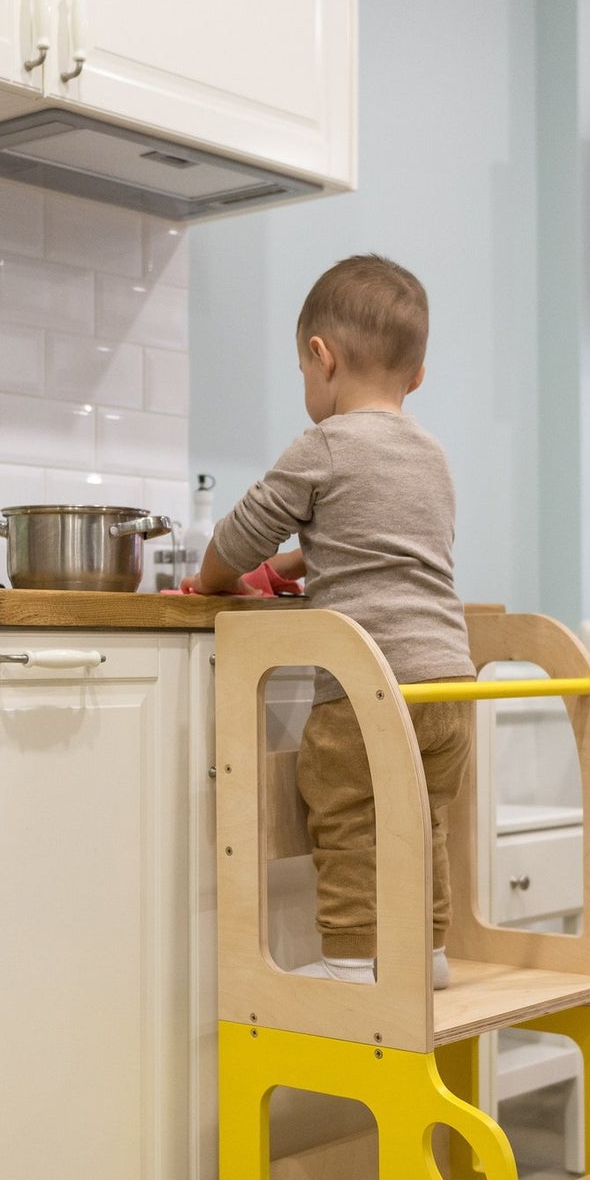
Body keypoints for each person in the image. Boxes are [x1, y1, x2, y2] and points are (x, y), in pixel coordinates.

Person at [181, 253, 474, 987]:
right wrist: (294, 568)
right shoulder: (431, 455)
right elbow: (383, 546)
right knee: (423, 823)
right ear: (417, 375)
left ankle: (349, 961)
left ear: (323, 358)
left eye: (304, 372)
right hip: (447, 686)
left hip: (365, 684)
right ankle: (428, 953)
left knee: (345, 820)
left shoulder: (327, 445)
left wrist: (215, 580)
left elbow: (243, 532)